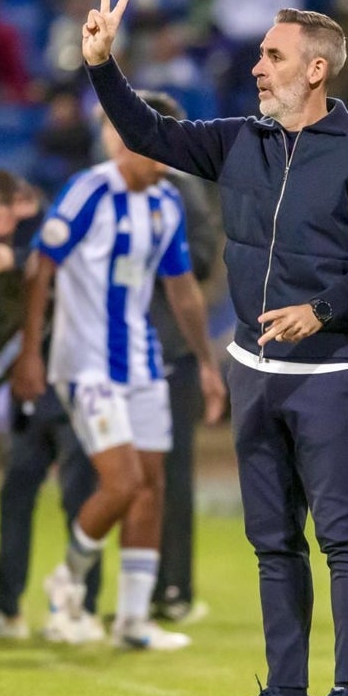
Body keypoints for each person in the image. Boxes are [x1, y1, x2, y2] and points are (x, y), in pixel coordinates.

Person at [81, 0, 348, 696]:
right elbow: (148, 136)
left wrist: (321, 309)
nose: (257, 67)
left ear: (315, 70)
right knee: (272, 541)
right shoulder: (239, 140)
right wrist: (102, 66)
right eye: (260, 55)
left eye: (272, 55)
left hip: (326, 374)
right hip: (253, 372)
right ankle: (285, 695)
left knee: (344, 536)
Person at [11, 90, 227, 652]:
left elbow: (182, 290)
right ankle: (68, 580)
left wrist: (205, 364)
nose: (164, 152)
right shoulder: (89, 192)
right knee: (123, 482)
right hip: (87, 367)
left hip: (145, 363)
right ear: (120, 137)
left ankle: (132, 619)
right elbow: (40, 268)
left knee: (151, 488)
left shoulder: (168, 204)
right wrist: (30, 351)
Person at [0, 169, 103, 642]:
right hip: (32, 394)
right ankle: (7, 608)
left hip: (73, 381)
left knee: (80, 495)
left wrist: (17, 258)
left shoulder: (58, 231)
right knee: (17, 493)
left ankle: (80, 608)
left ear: (21, 202)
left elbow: (68, 271)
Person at [149, 170, 221, 625]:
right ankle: (94, 591)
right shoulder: (103, 186)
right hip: (119, 350)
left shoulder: (181, 190)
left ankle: (174, 588)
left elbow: (202, 259)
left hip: (169, 348)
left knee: (170, 474)